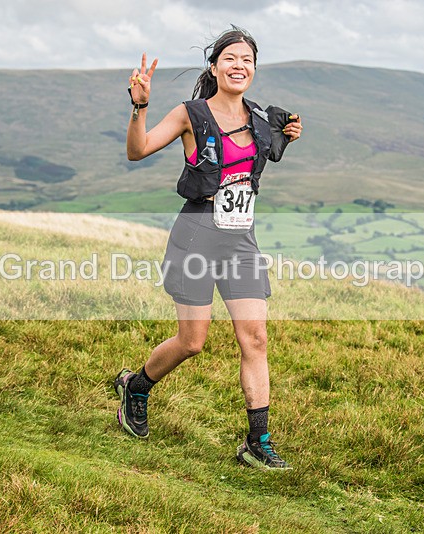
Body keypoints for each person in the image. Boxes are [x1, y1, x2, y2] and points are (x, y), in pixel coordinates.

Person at [113, 27, 302, 470]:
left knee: (254, 338)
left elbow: (272, 149)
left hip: (241, 242)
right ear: (214, 67)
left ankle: (257, 442)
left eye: (248, 61)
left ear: (254, 70)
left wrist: (290, 132)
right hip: (196, 238)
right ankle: (137, 387)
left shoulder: (259, 118)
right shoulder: (190, 114)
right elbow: (137, 151)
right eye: (231, 59)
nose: (240, 66)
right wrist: (139, 106)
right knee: (192, 341)